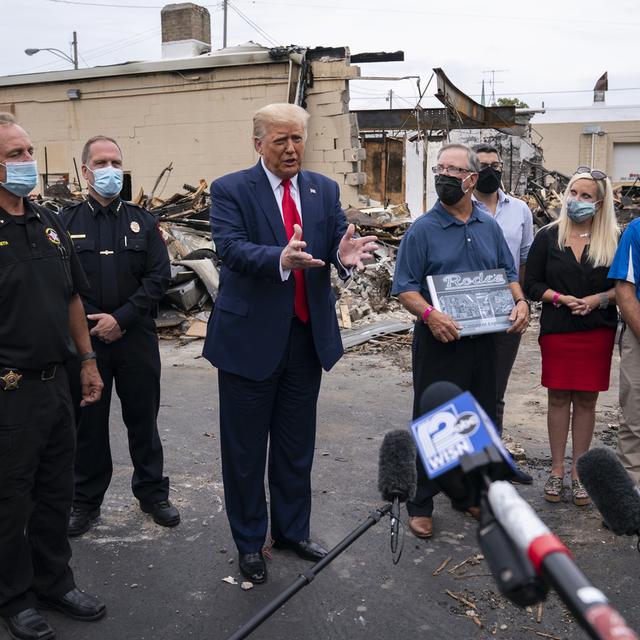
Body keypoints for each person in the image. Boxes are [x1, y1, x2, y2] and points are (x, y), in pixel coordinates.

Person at [202, 103, 377, 584]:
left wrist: (343, 256)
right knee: (244, 452)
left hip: (305, 339)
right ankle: (249, 542)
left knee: (295, 446)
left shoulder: (323, 189)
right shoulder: (231, 189)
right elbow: (230, 248)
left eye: (297, 138)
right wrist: (279, 257)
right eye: (280, 140)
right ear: (258, 143)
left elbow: (336, 244)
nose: (291, 148)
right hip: (248, 341)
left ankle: (292, 531)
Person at [0, 114, 106, 640]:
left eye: (27, 151)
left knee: (54, 491)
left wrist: (86, 362)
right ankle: (14, 597)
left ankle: (54, 582)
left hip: (56, 382)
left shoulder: (47, 219)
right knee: (9, 499)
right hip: (7, 391)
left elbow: (72, 297)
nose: (27, 163)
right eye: (14, 154)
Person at [392, 143, 529, 539]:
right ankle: (421, 502)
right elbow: (405, 288)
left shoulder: (487, 225)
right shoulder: (422, 229)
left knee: (478, 417)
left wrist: (520, 301)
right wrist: (430, 315)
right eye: (440, 168)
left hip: (484, 340)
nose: (445, 176)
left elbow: (507, 271)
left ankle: (469, 494)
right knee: (435, 420)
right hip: (439, 338)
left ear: (472, 179)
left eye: (454, 170)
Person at [60, 135, 178, 536]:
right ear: (85, 171)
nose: (110, 170)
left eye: (116, 162)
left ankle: (152, 493)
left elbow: (159, 277)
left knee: (142, 419)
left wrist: (121, 319)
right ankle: (85, 500)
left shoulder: (144, 222)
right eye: (101, 162)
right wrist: (95, 326)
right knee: (88, 424)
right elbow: (64, 283)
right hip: (86, 342)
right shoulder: (64, 223)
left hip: (135, 340)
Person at [524, 168, 619, 505]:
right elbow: (530, 283)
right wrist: (559, 298)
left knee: (587, 400)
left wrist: (598, 300)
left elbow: (623, 287)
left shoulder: (614, 239)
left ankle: (580, 472)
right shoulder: (548, 236)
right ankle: (556, 469)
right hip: (558, 329)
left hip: (596, 331)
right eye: (573, 193)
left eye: (585, 196)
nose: (576, 200)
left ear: (600, 202)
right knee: (558, 398)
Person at [472, 145, 534, 480]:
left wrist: (520, 300)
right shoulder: (461, 207)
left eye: (495, 165)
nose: (490, 171)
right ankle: (468, 469)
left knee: (496, 390)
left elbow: (524, 258)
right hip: (467, 312)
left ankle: (494, 462)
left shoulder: (520, 210)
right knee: (467, 389)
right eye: (482, 166)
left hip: (506, 312)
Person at [608, 217, 640, 486]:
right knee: (635, 418)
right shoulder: (637, 231)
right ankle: (633, 489)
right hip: (639, 337)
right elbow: (625, 289)